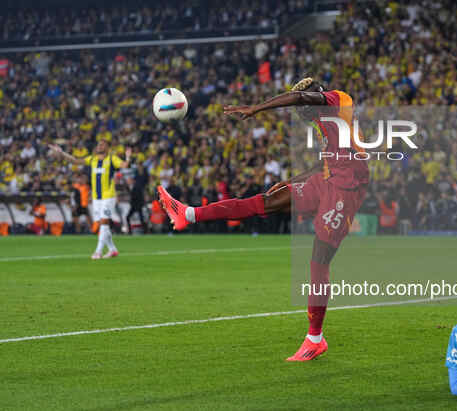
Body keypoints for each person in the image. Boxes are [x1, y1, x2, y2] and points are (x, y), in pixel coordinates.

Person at [157, 77, 369, 361]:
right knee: (263, 203)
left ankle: (315, 338)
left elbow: (303, 100)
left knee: (319, 261)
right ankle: (189, 214)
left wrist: (256, 108)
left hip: (347, 188)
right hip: (327, 179)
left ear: (315, 94)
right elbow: (326, 162)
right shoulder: (324, 124)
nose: (301, 112)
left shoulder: (337, 100)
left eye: (302, 103)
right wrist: (289, 181)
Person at [49, 140, 131, 259]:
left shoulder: (112, 159)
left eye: (102, 144)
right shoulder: (92, 159)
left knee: (104, 222)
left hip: (108, 196)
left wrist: (128, 157)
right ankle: (113, 250)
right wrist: (61, 153)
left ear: (107, 147)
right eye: (98, 144)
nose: (99, 146)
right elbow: (75, 161)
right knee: (102, 224)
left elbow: (124, 165)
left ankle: (98, 251)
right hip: (97, 198)